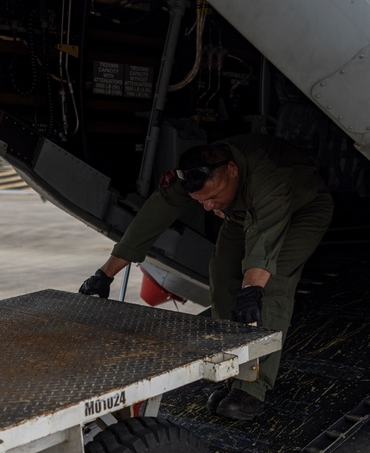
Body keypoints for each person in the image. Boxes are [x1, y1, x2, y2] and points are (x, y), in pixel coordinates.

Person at [79, 134, 332, 420]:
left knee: (270, 285)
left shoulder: (267, 181)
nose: (208, 207)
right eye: (200, 201)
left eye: (212, 197)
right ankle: (232, 371)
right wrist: (104, 274)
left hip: (302, 211)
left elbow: (265, 243)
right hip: (243, 215)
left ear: (233, 171)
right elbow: (151, 219)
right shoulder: (192, 176)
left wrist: (252, 289)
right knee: (222, 275)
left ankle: (252, 389)